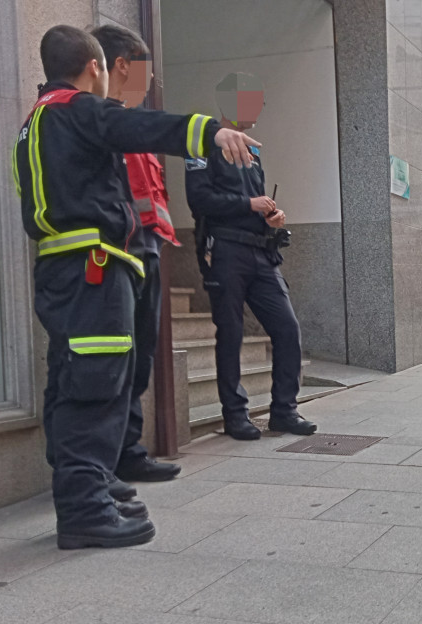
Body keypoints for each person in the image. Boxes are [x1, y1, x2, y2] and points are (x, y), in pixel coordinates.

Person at [14, 25, 258, 549]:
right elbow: (141, 127)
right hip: (92, 270)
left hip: (62, 269)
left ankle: (86, 485)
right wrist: (209, 130)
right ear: (96, 68)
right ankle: (84, 510)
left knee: (71, 379)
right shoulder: (77, 109)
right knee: (96, 387)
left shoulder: (34, 121)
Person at [185, 72, 316, 440]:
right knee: (231, 333)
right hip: (223, 250)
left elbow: (257, 204)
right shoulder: (201, 146)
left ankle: (284, 411)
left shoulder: (254, 150)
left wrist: (272, 216)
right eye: (252, 99)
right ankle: (235, 415)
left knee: (287, 327)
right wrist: (248, 203)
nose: (259, 106)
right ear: (231, 103)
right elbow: (199, 201)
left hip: (261, 252)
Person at [90, 24, 181, 484]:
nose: (149, 83)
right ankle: (104, 464)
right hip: (112, 258)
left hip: (145, 250)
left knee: (140, 357)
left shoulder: (127, 122)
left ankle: (127, 452)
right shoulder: (99, 123)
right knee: (115, 363)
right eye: (145, 72)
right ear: (120, 66)